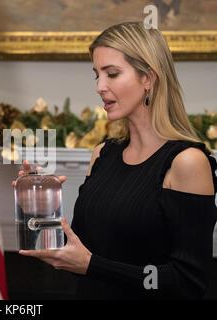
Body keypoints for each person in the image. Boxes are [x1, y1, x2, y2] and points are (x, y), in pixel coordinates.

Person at [19, 22, 217, 299]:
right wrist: (40, 208)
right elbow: (78, 252)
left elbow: (188, 282)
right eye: (96, 75)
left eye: (112, 74)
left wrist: (93, 266)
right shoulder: (102, 154)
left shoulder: (187, 162)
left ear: (148, 77)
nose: (100, 87)